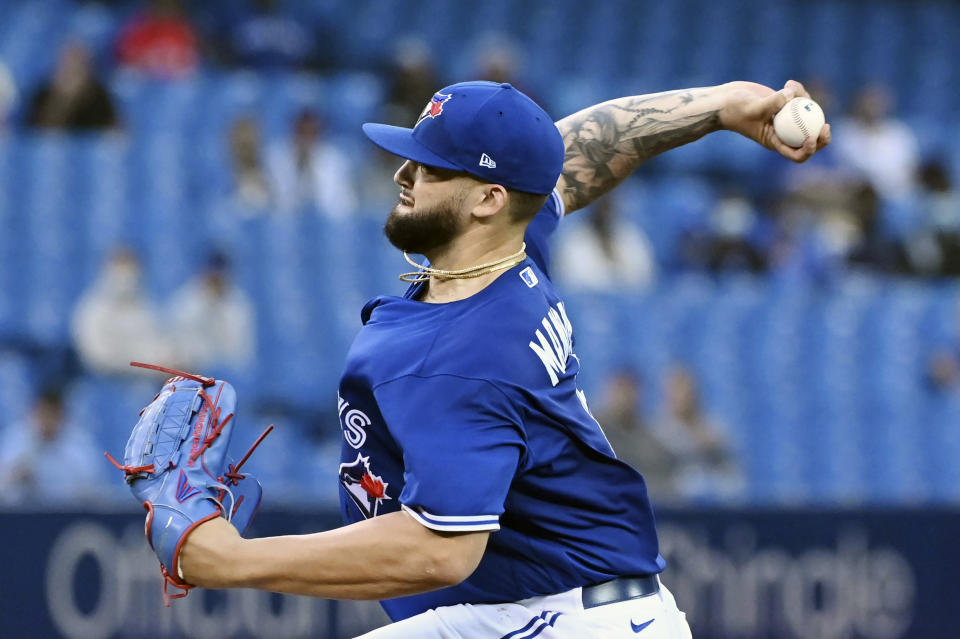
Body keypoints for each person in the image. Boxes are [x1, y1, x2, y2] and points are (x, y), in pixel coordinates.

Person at [177, 80, 829, 637]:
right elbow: (592, 143)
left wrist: (229, 559)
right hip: (549, 604)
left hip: (568, 620)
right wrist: (721, 103)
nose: (404, 175)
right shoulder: (507, 246)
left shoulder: (462, 353)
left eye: (430, 167)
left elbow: (440, 551)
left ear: (488, 198)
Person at [71, 247, 173, 376]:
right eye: (120, 269)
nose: (126, 277)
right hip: (110, 380)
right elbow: (99, 356)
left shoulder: (146, 306)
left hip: (147, 378)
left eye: (131, 269)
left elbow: (158, 341)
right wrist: (147, 366)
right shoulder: (93, 310)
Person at [651, 366, 744, 502]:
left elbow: (733, 473)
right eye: (674, 391)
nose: (681, 397)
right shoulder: (655, 432)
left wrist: (713, 447)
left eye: (685, 391)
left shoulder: (714, 429)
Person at [0, 387, 105, 505]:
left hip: (68, 513)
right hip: (25, 513)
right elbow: (3, 490)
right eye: (43, 414)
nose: (47, 421)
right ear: (34, 413)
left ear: (62, 416)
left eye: (52, 415)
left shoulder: (80, 445)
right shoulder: (15, 440)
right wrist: (17, 476)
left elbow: (93, 491)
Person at [166, 251, 256, 374]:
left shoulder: (238, 304)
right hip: (192, 366)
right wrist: (206, 301)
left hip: (225, 369)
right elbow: (175, 331)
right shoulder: (188, 296)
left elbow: (239, 350)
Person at [267, 108, 358, 217]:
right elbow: (276, 199)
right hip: (288, 220)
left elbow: (346, 200)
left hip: (327, 220)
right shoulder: (278, 159)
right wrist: (300, 166)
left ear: (319, 133)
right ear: (294, 132)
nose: (306, 138)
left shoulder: (334, 160)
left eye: (311, 132)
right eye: (302, 132)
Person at [25, 41, 119, 131]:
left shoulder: (100, 96)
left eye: (77, 64)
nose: (71, 69)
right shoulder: (43, 93)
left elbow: (111, 134)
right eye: (67, 64)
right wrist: (61, 99)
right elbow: (38, 134)